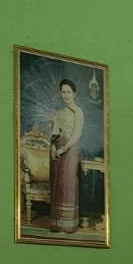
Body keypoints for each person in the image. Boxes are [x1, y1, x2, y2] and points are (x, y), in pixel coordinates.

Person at [47, 78, 85, 234]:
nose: (66, 95)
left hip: (71, 149)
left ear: (74, 93)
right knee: (58, 183)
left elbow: (77, 134)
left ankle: (68, 225)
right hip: (57, 150)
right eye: (63, 92)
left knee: (67, 183)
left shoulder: (78, 112)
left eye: (69, 91)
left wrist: (63, 149)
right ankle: (57, 224)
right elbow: (55, 133)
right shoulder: (59, 112)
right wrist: (53, 148)